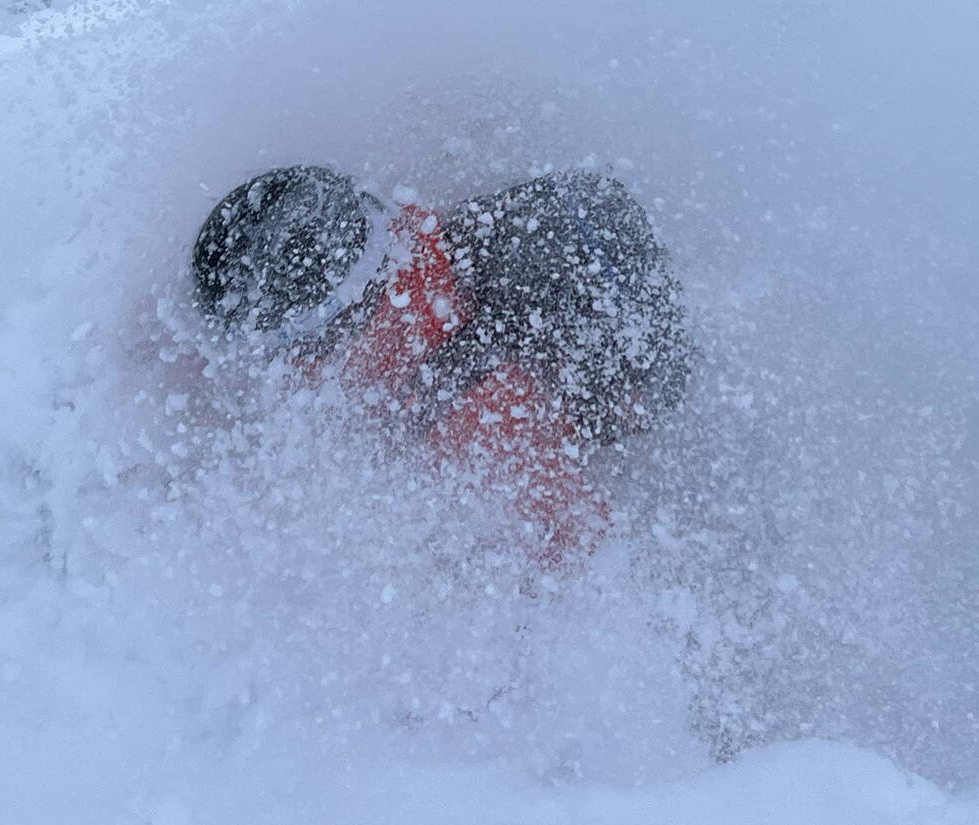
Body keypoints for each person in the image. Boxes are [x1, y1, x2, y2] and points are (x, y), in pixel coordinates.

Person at [191, 164, 691, 560]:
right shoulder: (415, 236)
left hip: (614, 374)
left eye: (292, 353)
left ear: (334, 335)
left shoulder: (470, 414)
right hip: (558, 257)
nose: (291, 371)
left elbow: (587, 537)